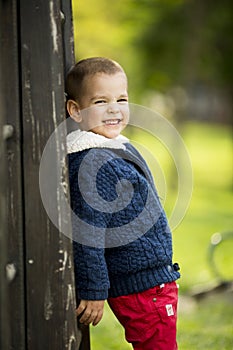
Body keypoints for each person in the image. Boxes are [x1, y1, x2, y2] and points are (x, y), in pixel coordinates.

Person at [65, 57, 180, 350]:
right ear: (76, 110)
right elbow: (87, 232)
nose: (114, 108)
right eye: (101, 101)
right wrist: (94, 290)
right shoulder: (95, 163)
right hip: (142, 288)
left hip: (152, 280)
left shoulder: (114, 147)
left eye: (122, 99)